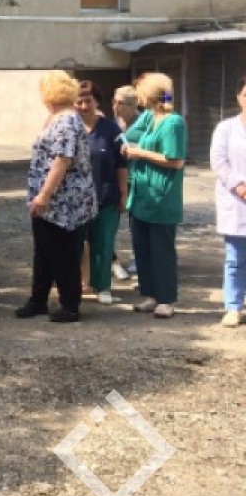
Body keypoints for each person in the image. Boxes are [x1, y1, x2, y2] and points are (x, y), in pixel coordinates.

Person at [15, 72, 98, 323]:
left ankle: (70, 305)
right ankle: (38, 300)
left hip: (62, 201)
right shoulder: (57, 118)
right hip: (52, 200)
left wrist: (44, 195)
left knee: (63, 254)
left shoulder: (67, 121)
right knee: (44, 252)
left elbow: (62, 160)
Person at [122, 72, 187, 319]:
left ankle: (166, 299)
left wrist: (140, 153)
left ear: (150, 94)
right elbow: (132, 136)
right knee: (143, 249)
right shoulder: (150, 118)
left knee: (162, 250)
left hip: (162, 197)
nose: (137, 97)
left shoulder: (173, 123)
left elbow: (175, 161)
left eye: (140, 92)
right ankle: (150, 294)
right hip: (142, 195)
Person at [75, 81, 127, 305]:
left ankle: (103, 286)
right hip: (75, 198)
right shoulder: (70, 127)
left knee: (103, 243)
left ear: (97, 101)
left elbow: (121, 164)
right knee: (75, 243)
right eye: (79, 101)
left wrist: (123, 194)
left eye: (88, 101)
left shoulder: (111, 129)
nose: (83, 106)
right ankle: (76, 284)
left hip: (105, 195)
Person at [211, 75, 246, 327]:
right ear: (239, 97)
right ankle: (233, 306)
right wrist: (240, 187)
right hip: (235, 201)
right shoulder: (226, 128)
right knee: (235, 259)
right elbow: (218, 161)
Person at [110, 84, 142, 279]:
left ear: (132, 105)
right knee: (110, 221)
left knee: (136, 221)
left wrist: (135, 148)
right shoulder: (114, 122)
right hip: (116, 177)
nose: (116, 106)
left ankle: (139, 257)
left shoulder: (143, 122)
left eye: (121, 103)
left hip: (137, 177)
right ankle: (112, 260)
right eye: (114, 102)